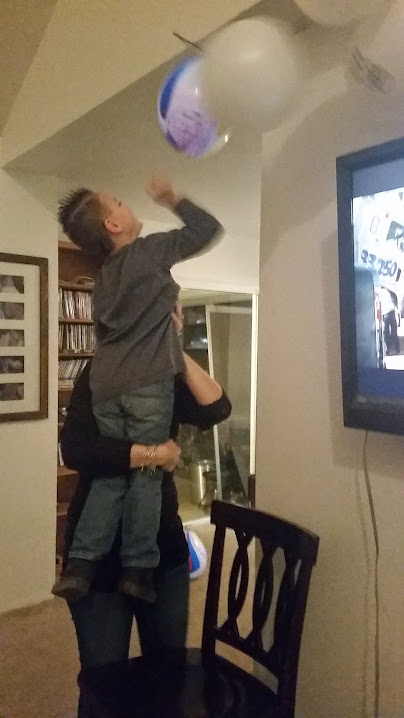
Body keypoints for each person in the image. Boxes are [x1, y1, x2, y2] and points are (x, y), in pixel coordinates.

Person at [53, 176, 223, 602]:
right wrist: (171, 198)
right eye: (119, 202)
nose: (127, 205)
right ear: (113, 224)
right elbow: (206, 229)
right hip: (147, 383)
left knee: (112, 478)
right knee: (147, 473)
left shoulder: (103, 280)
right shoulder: (149, 251)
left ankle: (80, 563)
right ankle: (138, 568)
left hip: (106, 386)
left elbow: (113, 334)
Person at [58, 330, 231, 718]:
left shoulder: (169, 372)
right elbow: (76, 449)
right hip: (96, 558)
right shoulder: (98, 370)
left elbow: (217, 408)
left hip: (162, 548)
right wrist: (154, 454)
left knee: (168, 676)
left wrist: (174, 346)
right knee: (104, 683)